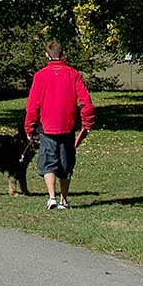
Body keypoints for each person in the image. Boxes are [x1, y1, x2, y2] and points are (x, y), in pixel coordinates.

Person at [24, 40, 95, 211]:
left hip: (47, 127)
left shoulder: (40, 76)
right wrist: (87, 121)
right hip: (67, 126)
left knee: (48, 161)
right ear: (63, 54)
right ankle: (64, 199)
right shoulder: (73, 74)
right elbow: (86, 102)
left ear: (47, 55)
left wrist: (29, 128)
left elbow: (32, 106)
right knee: (66, 162)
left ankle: (51, 197)